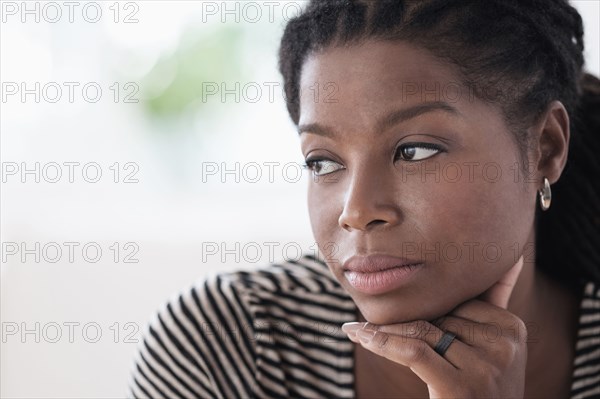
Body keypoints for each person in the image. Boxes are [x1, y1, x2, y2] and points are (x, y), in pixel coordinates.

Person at [128, 0, 600, 397]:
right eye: (324, 162)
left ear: (545, 148)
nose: (356, 213)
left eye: (413, 151)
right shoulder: (225, 346)